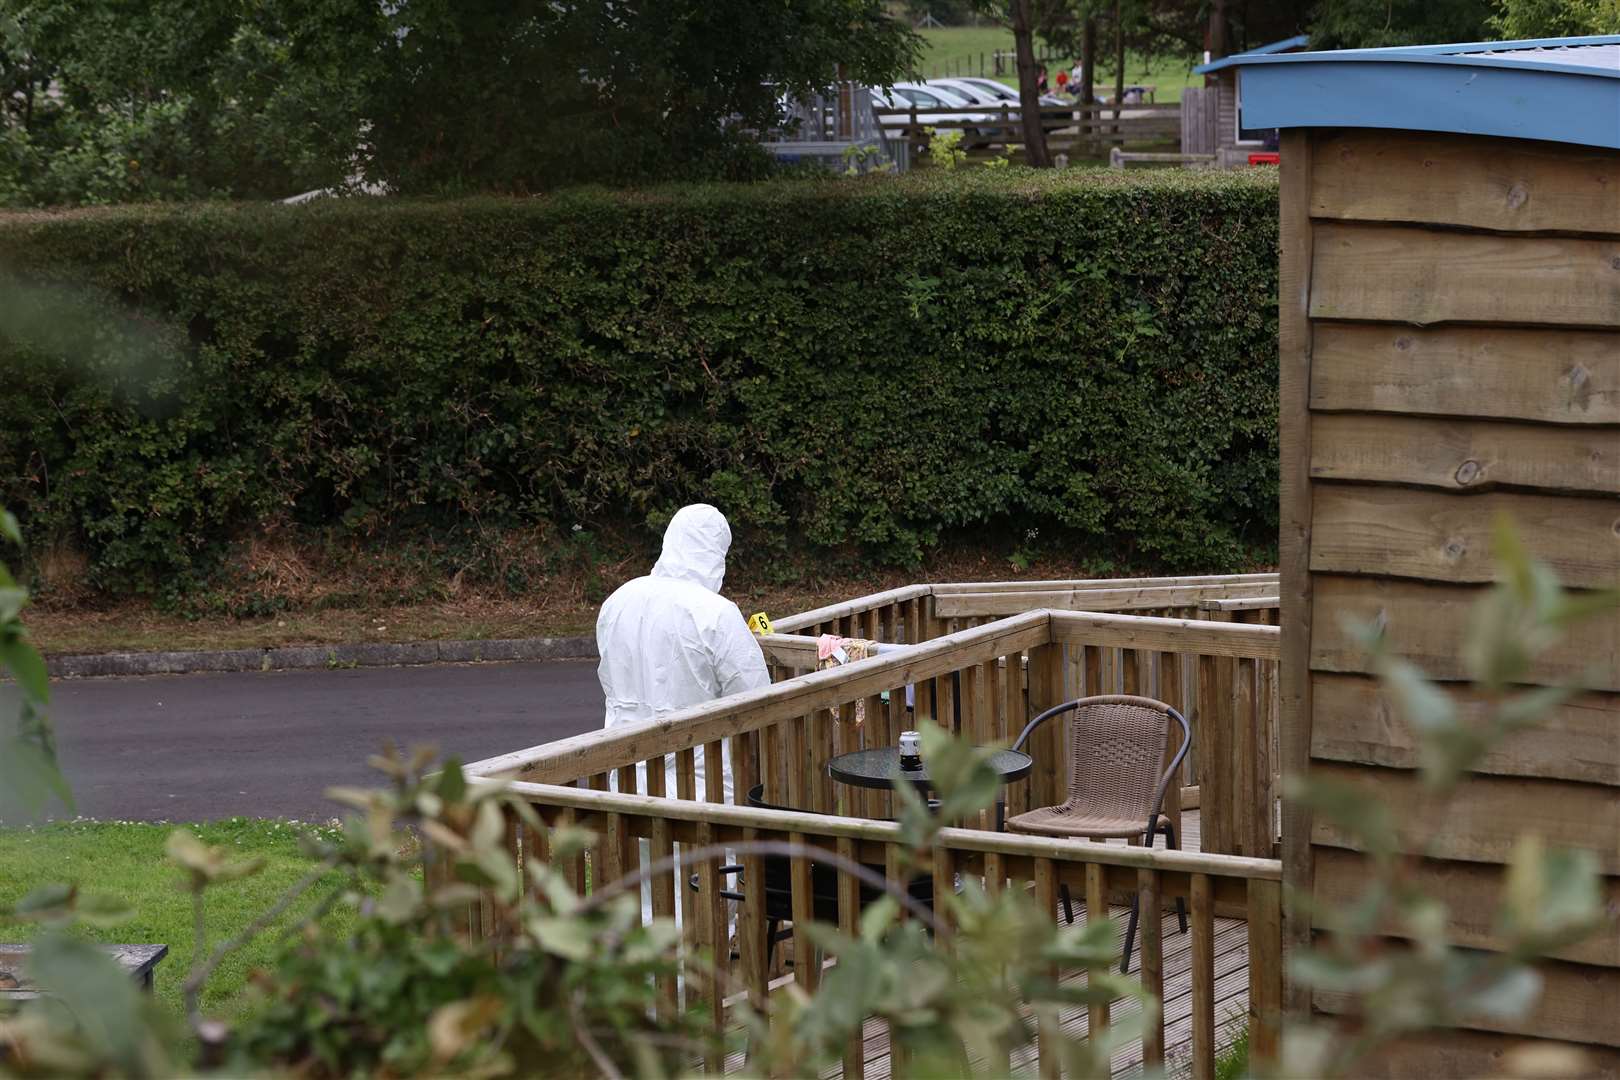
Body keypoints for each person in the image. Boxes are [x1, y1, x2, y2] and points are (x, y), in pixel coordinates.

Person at [596, 503, 769, 804]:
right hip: (702, 780)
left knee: (636, 849)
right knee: (704, 851)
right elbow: (757, 696)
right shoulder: (716, 613)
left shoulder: (618, 600)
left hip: (626, 773)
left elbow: (610, 677)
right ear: (716, 555)